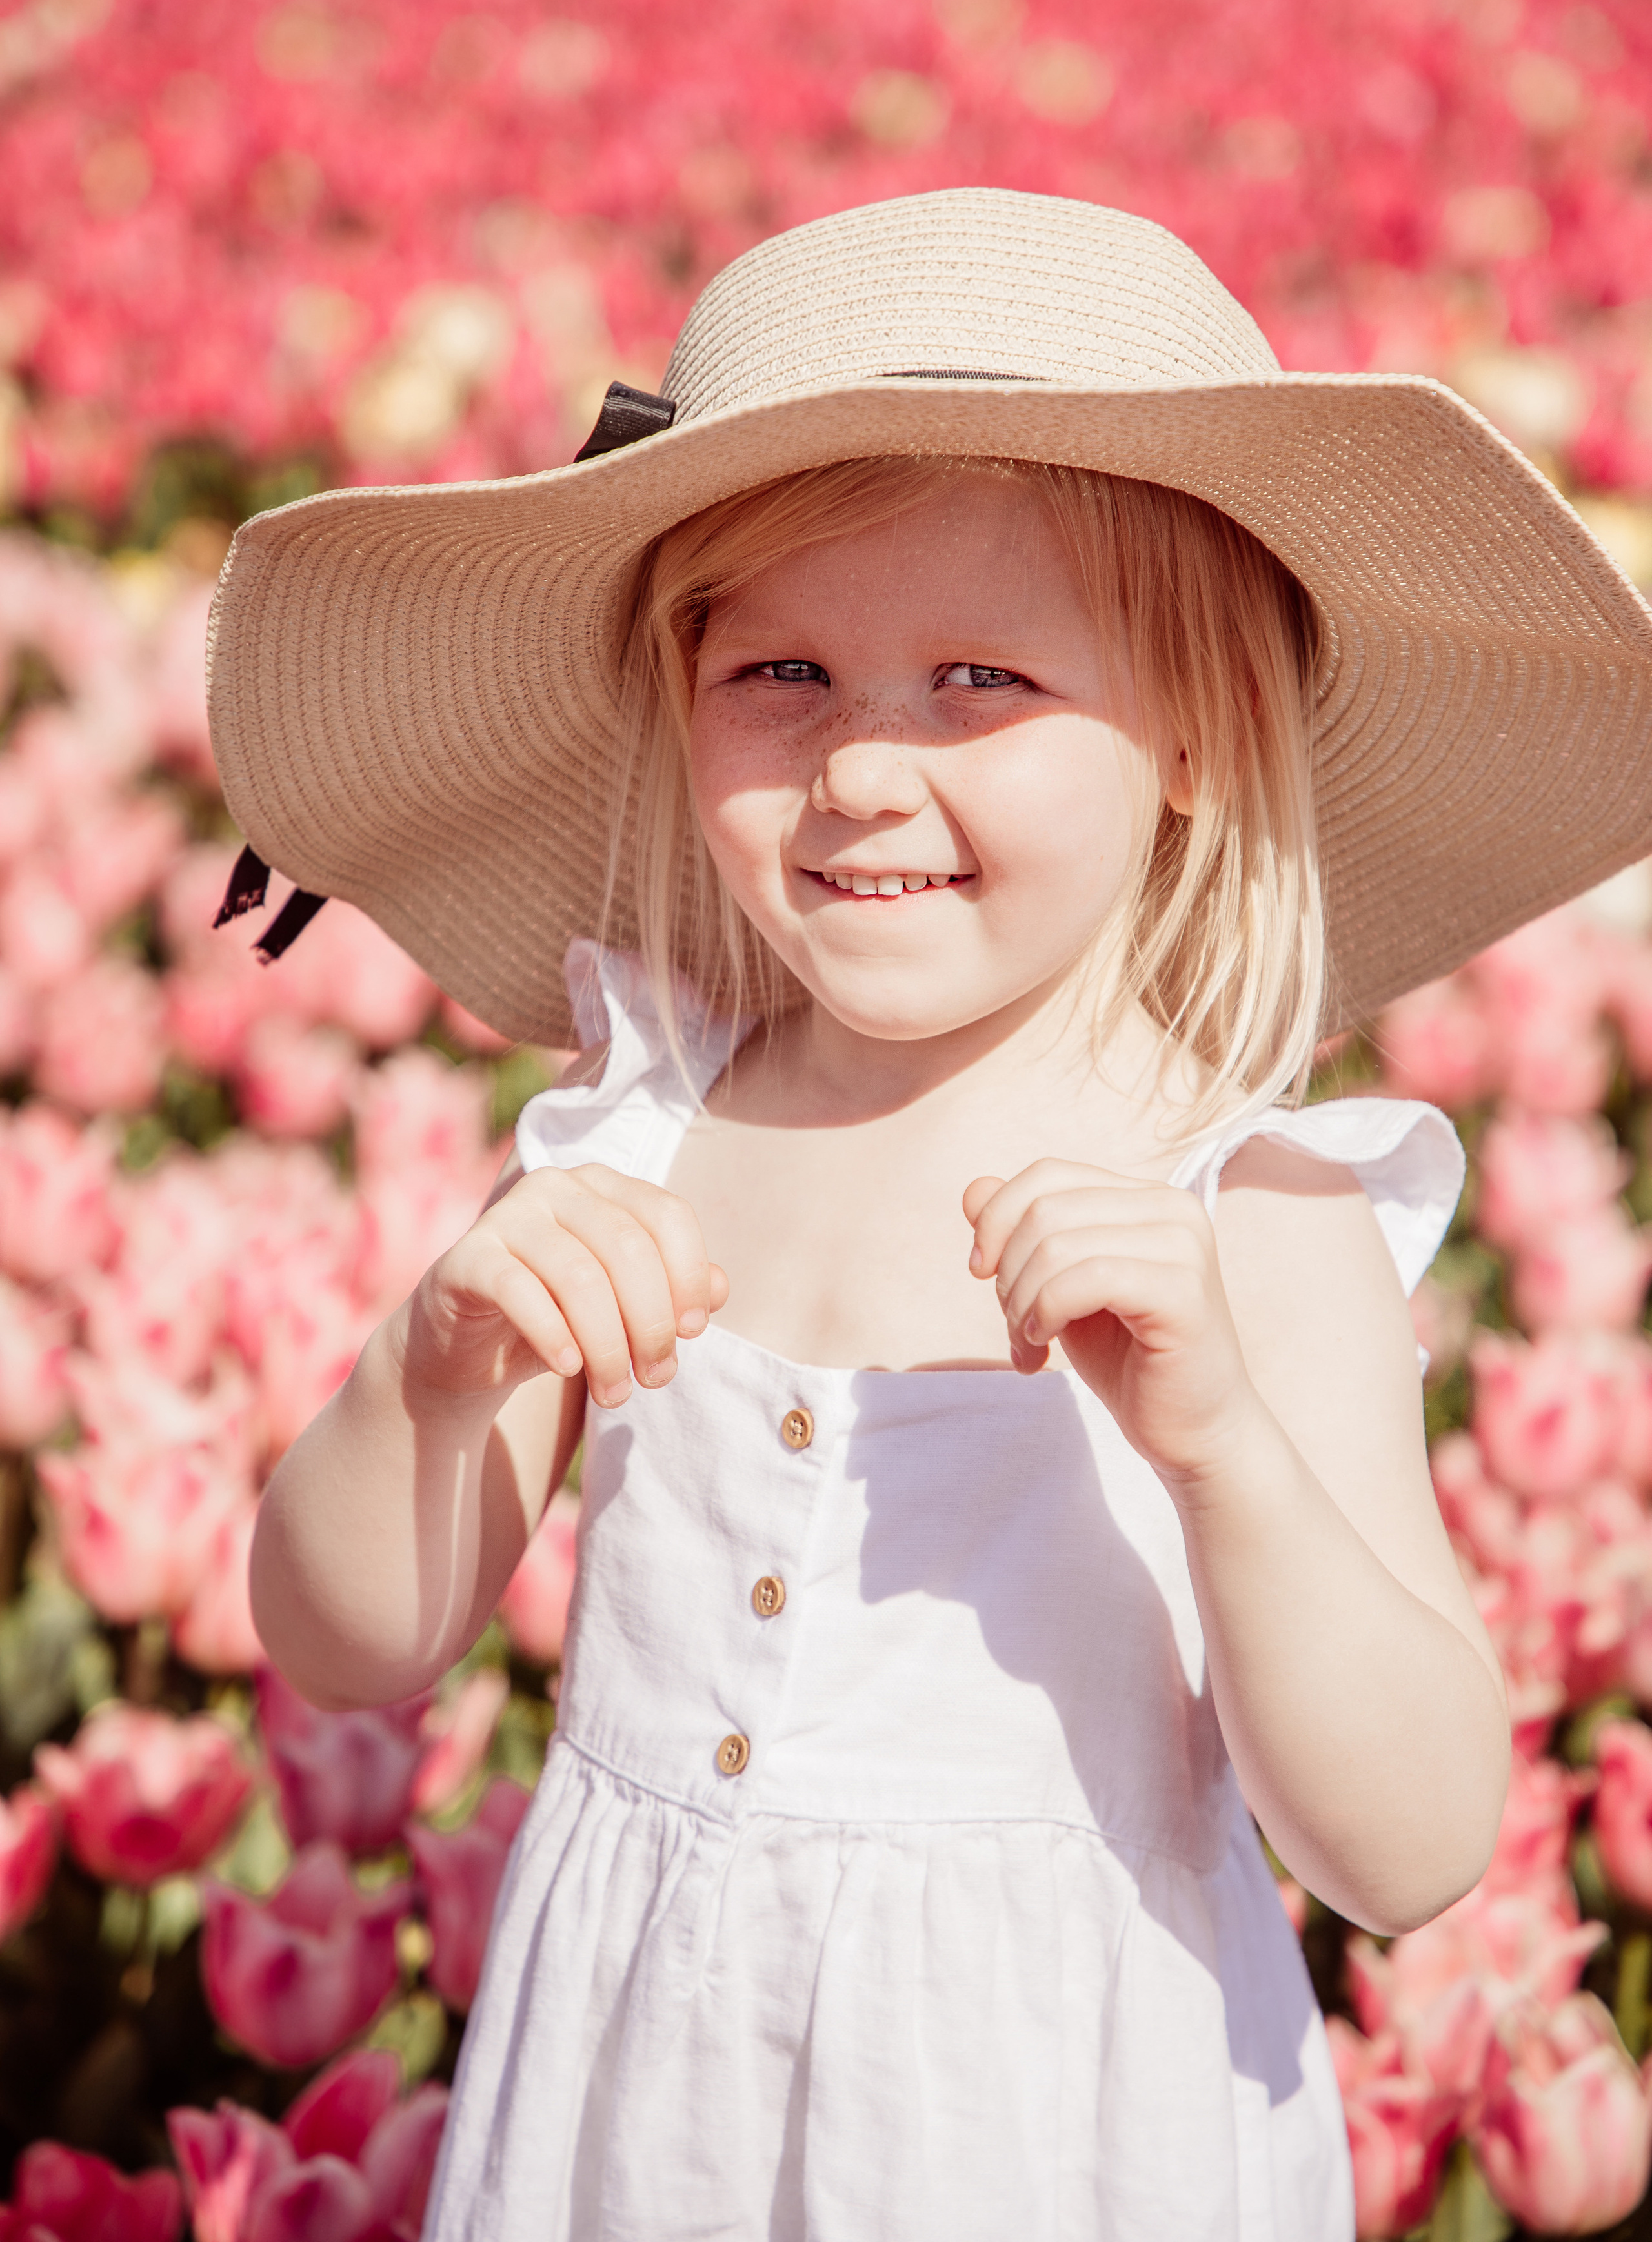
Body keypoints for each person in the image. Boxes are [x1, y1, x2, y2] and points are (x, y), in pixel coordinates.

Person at [217, 190, 1652, 2240]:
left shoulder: (1243, 1217)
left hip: (1049, 2129)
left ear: (1194, 739)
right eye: (780, 670)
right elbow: (349, 1644)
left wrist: (1228, 1451)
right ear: (675, 696)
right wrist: (424, 1376)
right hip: (637, 2129)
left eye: (978, 679)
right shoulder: (640, 1135)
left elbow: (1411, 1845)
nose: (864, 772)